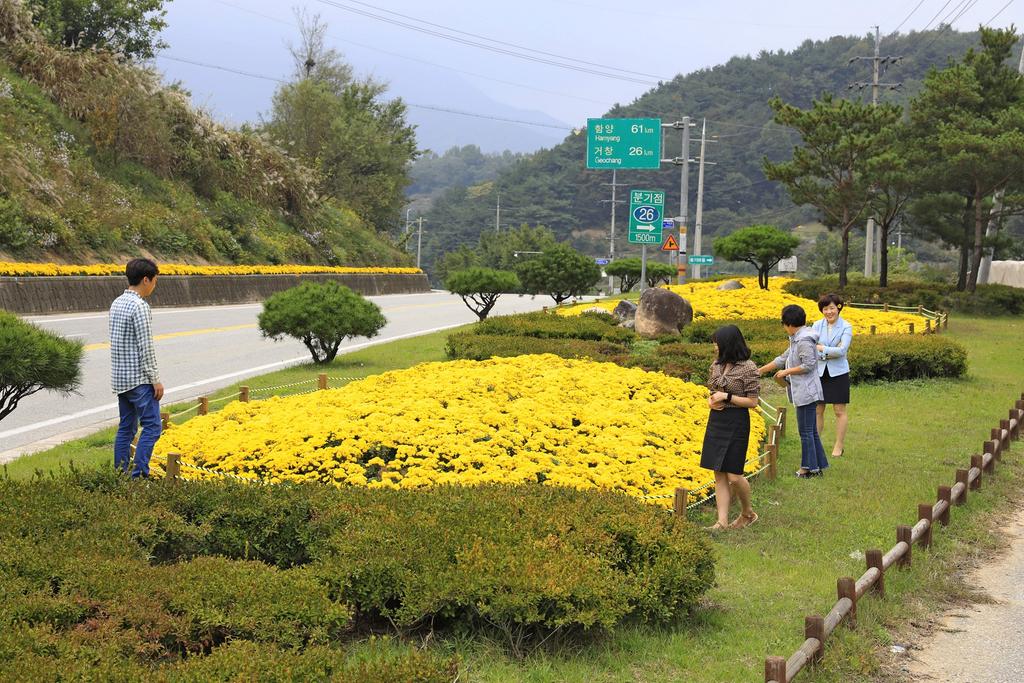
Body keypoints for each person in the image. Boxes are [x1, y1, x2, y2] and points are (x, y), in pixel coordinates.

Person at [699, 324, 761, 530]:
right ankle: (722, 521)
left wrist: (727, 397)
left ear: (727, 344)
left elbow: (753, 402)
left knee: (734, 475)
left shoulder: (748, 367)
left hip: (736, 421)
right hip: (717, 420)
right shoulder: (716, 365)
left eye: (717, 343)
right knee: (718, 472)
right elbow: (713, 390)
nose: (714, 347)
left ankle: (747, 513)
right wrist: (712, 400)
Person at [757, 304, 828, 478]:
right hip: (804, 391)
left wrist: (786, 372)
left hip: (807, 392)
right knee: (810, 431)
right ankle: (817, 466)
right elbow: (783, 358)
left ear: (789, 324)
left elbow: (809, 365)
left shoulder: (803, 340)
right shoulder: (797, 338)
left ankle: (807, 469)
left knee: (805, 432)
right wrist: (759, 371)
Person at [110, 258, 163, 478]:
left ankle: (119, 475)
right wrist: (156, 379)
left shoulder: (117, 303)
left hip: (121, 379)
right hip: (139, 380)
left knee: (126, 428)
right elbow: (146, 347)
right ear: (145, 279)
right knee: (152, 427)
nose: (154, 285)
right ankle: (139, 476)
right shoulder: (140, 306)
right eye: (154, 281)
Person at [812, 293, 853, 458]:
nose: (828, 312)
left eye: (831, 308)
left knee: (839, 410)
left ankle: (839, 445)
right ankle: (816, 444)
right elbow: (811, 346)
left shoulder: (846, 327)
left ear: (838, 308)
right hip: (819, 372)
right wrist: (828, 351)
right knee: (818, 409)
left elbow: (842, 351)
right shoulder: (816, 325)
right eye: (825, 309)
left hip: (839, 373)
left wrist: (822, 349)